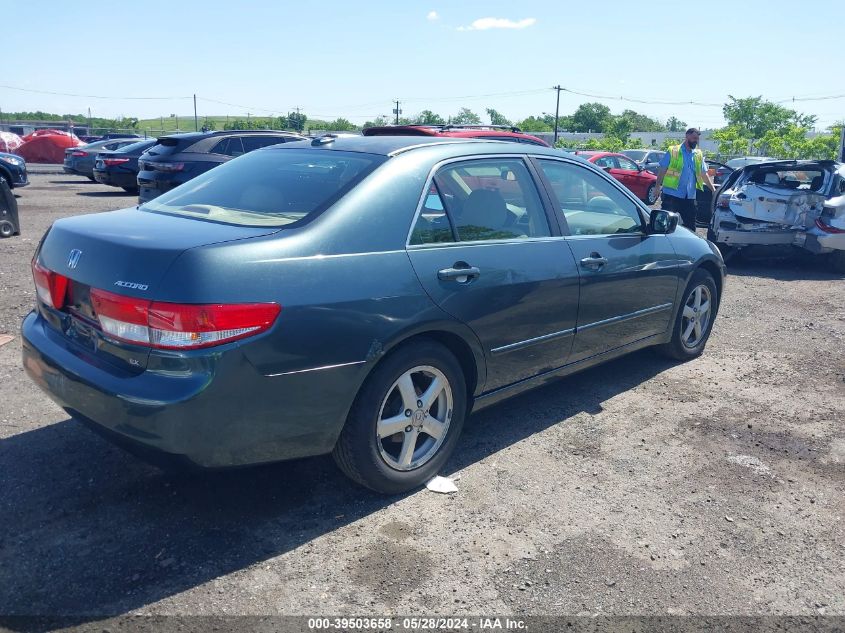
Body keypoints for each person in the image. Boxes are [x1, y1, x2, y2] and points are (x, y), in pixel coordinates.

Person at [655, 128, 716, 230]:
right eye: (694, 138)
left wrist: (713, 189)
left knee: (691, 227)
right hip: (672, 195)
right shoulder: (673, 150)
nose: (696, 141)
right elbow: (662, 170)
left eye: (697, 139)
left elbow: (703, 174)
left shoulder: (698, 154)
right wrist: (657, 186)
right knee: (664, 225)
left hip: (689, 197)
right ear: (687, 136)